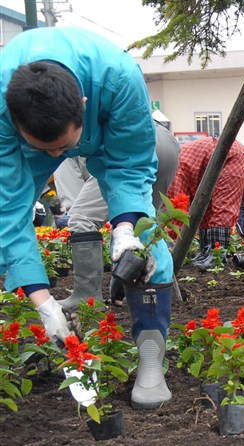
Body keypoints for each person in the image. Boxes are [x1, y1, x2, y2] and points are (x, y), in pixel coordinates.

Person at [1, 27, 175, 410]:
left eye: (62, 148)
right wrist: (45, 306)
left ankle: (150, 355)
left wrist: (126, 231)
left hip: (108, 130)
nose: (55, 158)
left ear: (82, 104)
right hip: (22, 143)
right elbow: (9, 213)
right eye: (45, 149)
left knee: (145, 238)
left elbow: (130, 165)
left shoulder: (119, 78)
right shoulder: (3, 107)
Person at [53, 122, 180, 309]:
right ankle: (155, 295)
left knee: (82, 220)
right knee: (142, 223)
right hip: (166, 143)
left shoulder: (58, 146)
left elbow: (79, 214)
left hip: (129, 149)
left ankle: (87, 297)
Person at [167, 136, 244, 269]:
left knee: (223, 205)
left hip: (230, 155)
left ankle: (217, 256)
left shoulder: (172, 172)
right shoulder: (172, 165)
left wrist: (175, 248)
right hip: (212, 157)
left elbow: (177, 212)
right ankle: (207, 252)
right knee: (207, 210)